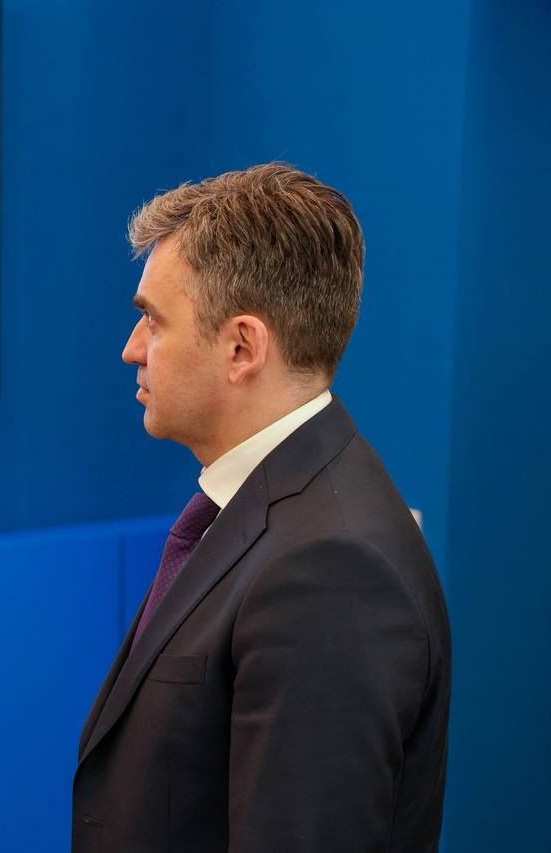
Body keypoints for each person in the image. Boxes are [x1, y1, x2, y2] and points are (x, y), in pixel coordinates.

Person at [74, 163, 450, 852]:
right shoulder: (266, 510)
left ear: (242, 346)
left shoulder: (332, 569)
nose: (132, 349)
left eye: (153, 320)